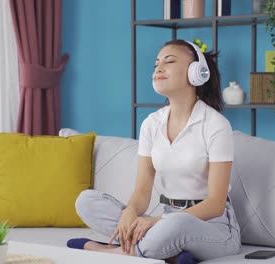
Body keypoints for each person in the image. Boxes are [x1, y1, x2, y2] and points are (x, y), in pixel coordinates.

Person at [67, 39, 242, 263]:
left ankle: (113, 252)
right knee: (86, 201)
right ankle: (168, 252)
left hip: (214, 228)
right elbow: (142, 192)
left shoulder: (216, 125)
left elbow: (216, 205)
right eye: (156, 63)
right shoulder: (151, 124)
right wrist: (131, 212)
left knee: (178, 224)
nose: (159, 68)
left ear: (196, 72)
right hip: (167, 219)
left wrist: (158, 222)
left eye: (169, 61)